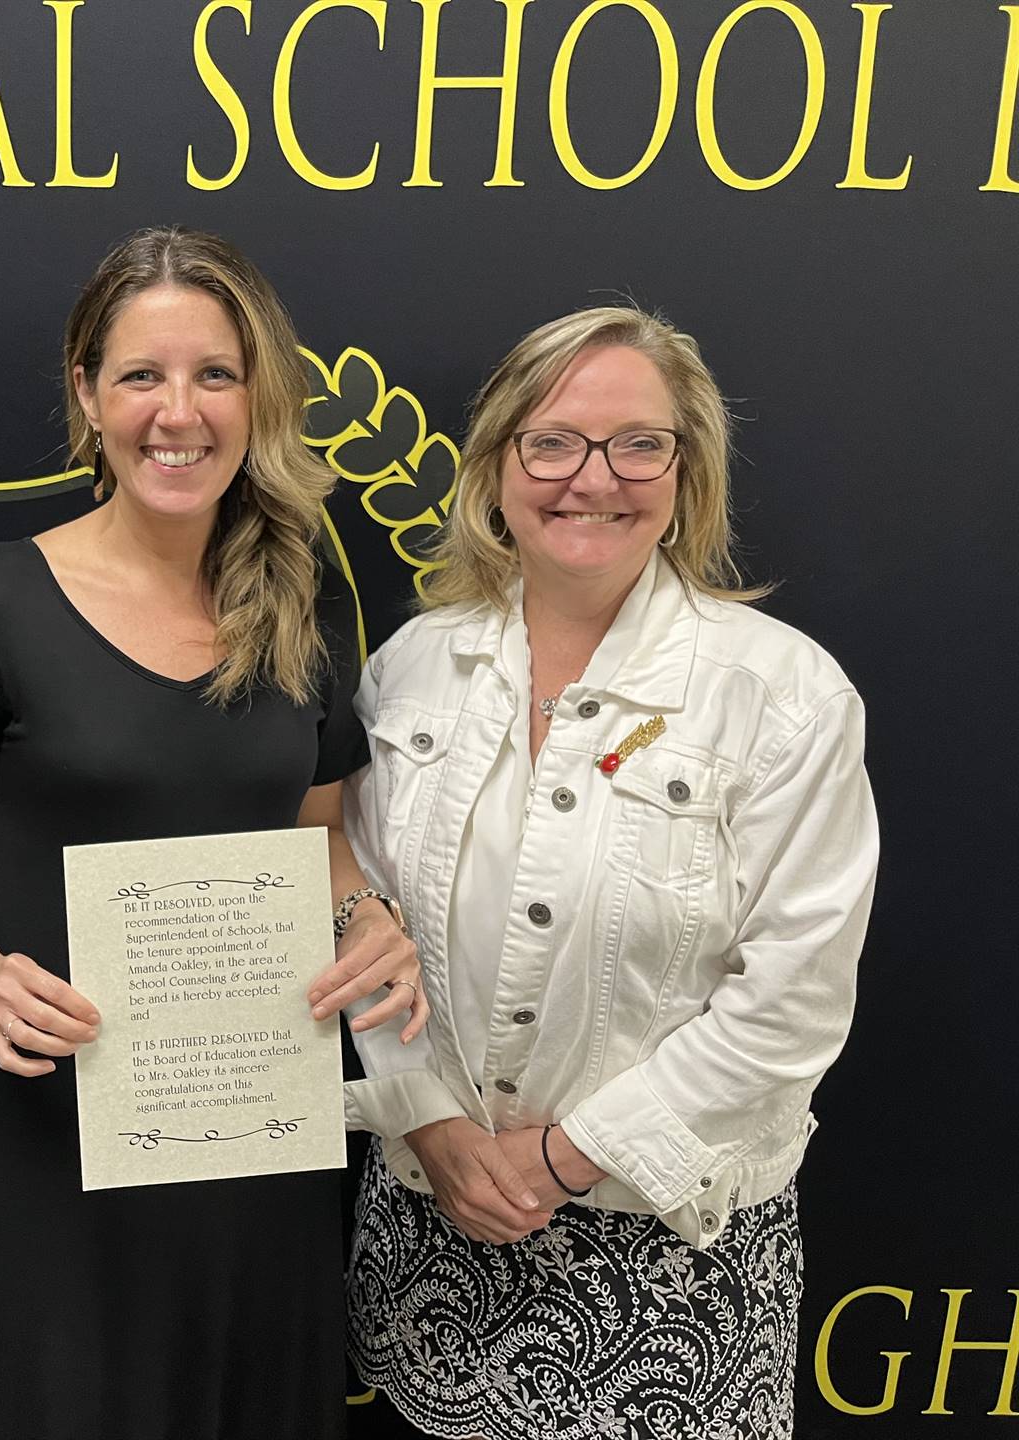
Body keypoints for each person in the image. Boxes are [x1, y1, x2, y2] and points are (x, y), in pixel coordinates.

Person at [0, 226, 427, 1440]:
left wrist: (366, 916)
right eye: (140, 376)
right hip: (52, 1118)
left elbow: (320, 835)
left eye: (215, 374)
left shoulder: (306, 601)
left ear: (258, 396)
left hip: (251, 1117)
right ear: (87, 398)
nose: (178, 413)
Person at [340, 305, 878, 1438]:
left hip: (673, 1270)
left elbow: (793, 1001)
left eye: (639, 443)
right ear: (496, 468)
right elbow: (364, 932)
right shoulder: (410, 674)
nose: (595, 477)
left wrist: (564, 1155)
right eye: (553, 442)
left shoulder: (782, 695)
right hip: (435, 1244)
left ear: (686, 475)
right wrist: (430, 1121)